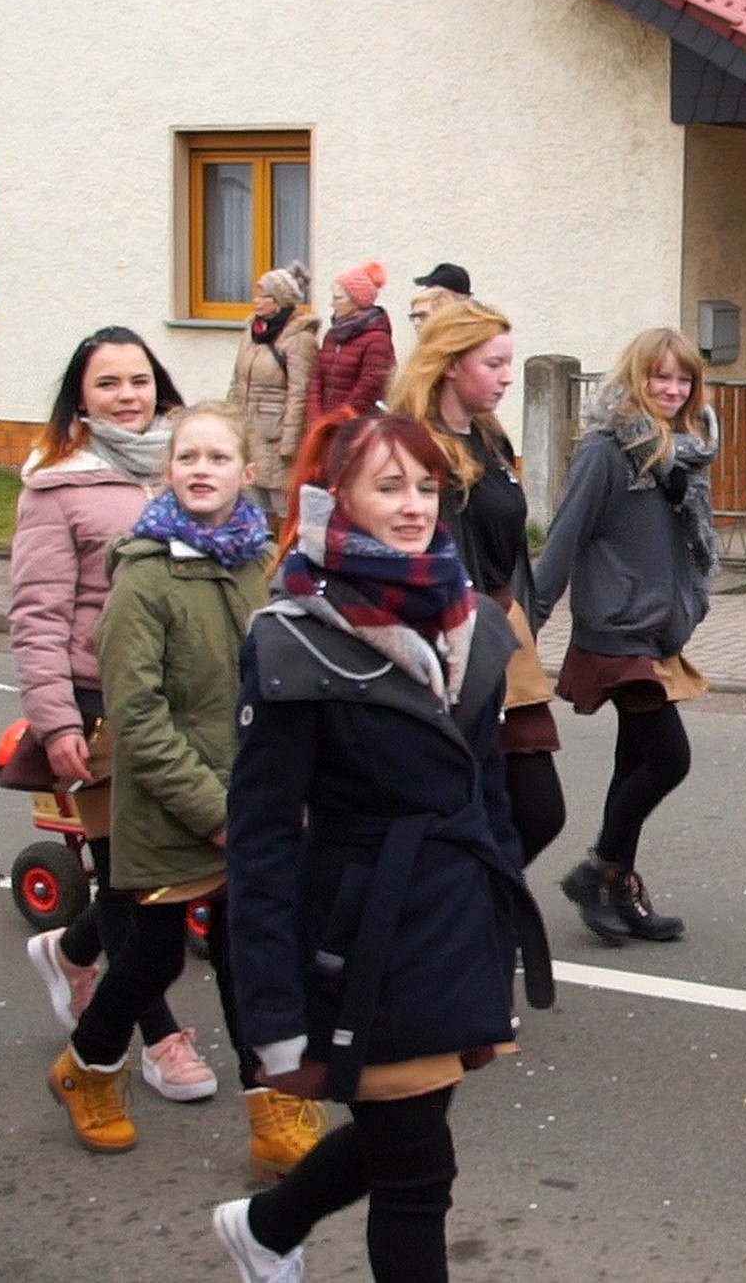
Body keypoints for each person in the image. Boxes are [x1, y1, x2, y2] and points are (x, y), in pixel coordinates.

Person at [213, 409, 552, 1283]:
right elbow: (259, 842)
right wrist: (273, 1017)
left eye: (426, 487)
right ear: (340, 500)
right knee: (417, 1170)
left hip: (452, 922)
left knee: (409, 1130)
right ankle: (268, 1227)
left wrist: (500, 911)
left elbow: (486, 790)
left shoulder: (469, 617)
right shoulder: (291, 637)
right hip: (361, 932)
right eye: (388, 486)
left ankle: (269, 1226)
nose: (412, 507)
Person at [44, 403, 325, 1178]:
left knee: (247, 958)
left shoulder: (254, 562)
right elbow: (136, 717)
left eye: (217, 458)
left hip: (250, 799)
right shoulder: (144, 576)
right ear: (169, 471)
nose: (202, 470)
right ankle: (86, 1069)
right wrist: (216, 813)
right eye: (188, 457)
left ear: (247, 471)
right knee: (152, 960)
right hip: (174, 807)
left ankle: (271, 1112)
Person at [13, 328, 216, 1103]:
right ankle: (161, 1038)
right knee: (133, 878)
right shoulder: (55, 487)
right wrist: (57, 720)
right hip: (97, 702)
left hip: (183, 705)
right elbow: (35, 613)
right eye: (108, 385)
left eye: (140, 381)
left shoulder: (189, 468)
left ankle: (73, 950)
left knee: (163, 868)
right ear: (82, 400)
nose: (127, 396)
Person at [531, 328, 717, 945]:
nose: (671, 389)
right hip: (615, 630)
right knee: (669, 758)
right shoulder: (608, 451)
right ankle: (599, 871)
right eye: (660, 377)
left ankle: (619, 886)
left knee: (633, 760)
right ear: (637, 378)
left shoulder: (683, 454)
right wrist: (527, 624)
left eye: (682, 379)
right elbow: (565, 537)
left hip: (656, 629)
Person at [388, 299, 568, 868]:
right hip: (443, 634)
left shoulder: (488, 439)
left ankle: (481, 911)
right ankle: (460, 922)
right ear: (448, 364)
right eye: (493, 364)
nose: (507, 377)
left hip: (500, 628)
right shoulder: (413, 445)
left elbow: (510, 548)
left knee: (538, 808)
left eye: (509, 363)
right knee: (460, 803)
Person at [228, 263, 320, 525]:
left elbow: (299, 393)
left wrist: (290, 442)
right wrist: (229, 421)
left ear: (280, 301)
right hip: (248, 430)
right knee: (251, 502)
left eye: (263, 295)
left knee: (282, 507)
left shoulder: (300, 339)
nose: (256, 301)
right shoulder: (251, 331)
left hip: (276, 436)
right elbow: (236, 381)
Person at [310, 262, 396, 419]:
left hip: (356, 425)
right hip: (325, 424)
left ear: (356, 301)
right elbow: (317, 377)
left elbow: (370, 385)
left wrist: (341, 417)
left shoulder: (377, 339)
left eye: (338, 298)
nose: (332, 304)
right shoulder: (332, 335)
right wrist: (315, 417)